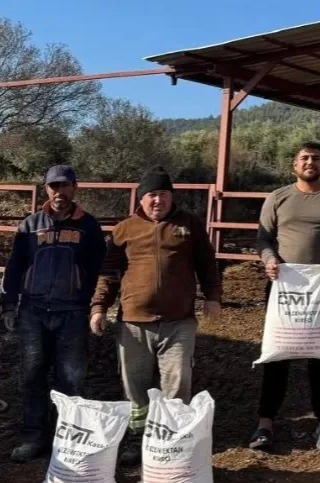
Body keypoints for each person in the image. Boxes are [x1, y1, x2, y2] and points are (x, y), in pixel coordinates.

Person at [90, 165, 222, 465]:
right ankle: (138, 441)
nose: (158, 201)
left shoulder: (189, 225)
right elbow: (108, 273)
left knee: (177, 384)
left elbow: (207, 264)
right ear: (141, 198)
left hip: (179, 321)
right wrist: (99, 308)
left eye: (163, 195)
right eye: (151, 195)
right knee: (134, 387)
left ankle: (172, 444)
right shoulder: (125, 229)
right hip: (134, 320)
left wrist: (212, 297)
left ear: (171, 197)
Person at [249, 142, 320, 454]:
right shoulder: (278, 197)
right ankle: (265, 424)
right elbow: (263, 238)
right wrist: (269, 260)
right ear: (294, 165)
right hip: (283, 290)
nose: (310, 163)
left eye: (316, 158)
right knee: (276, 355)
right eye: (304, 158)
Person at [0, 165, 106, 463]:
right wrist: (9, 304)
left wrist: (96, 306)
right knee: (32, 374)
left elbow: (100, 270)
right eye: (53, 187)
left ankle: (64, 437)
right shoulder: (30, 225)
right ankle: (33, 435)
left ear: (75, 188)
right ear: (46, 189)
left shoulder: (89, 227)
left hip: (72, 311)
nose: (59, 192)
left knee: (70, 377)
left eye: (65, 186)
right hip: (33, 311)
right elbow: (15, 266)